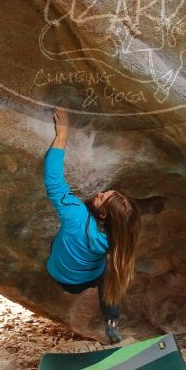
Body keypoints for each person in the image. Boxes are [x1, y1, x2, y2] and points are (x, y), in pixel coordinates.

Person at [44, 107, 141, 344]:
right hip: (90, 277)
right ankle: (112, 320)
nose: (99, 192)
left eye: (102, 197)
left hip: (60, 276)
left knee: (53, 243)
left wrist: (62, 136)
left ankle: (111, 321)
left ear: (104, 215)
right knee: (111, 273)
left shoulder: (75, 216)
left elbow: (54, 181)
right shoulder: (117, 239)